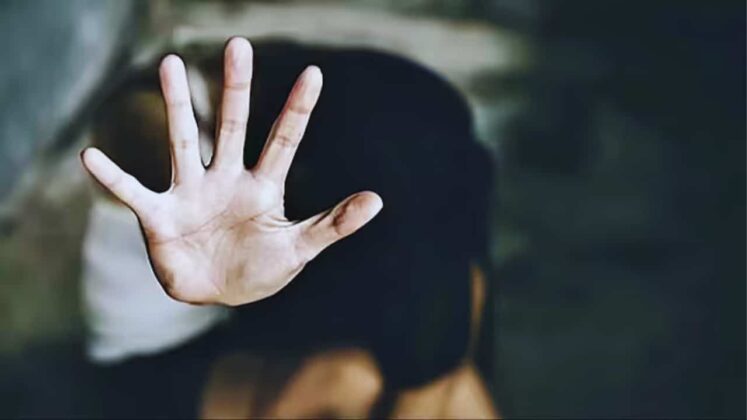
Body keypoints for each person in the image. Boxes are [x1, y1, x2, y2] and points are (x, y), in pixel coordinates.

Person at [80, 37, 496, 417]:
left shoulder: (381, 147)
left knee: (430, 359)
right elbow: (134, 126)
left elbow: (462, 279)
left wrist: (428, 380)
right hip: (161, 360)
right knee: (360, 381)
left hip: (258, 319)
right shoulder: (168, 123)